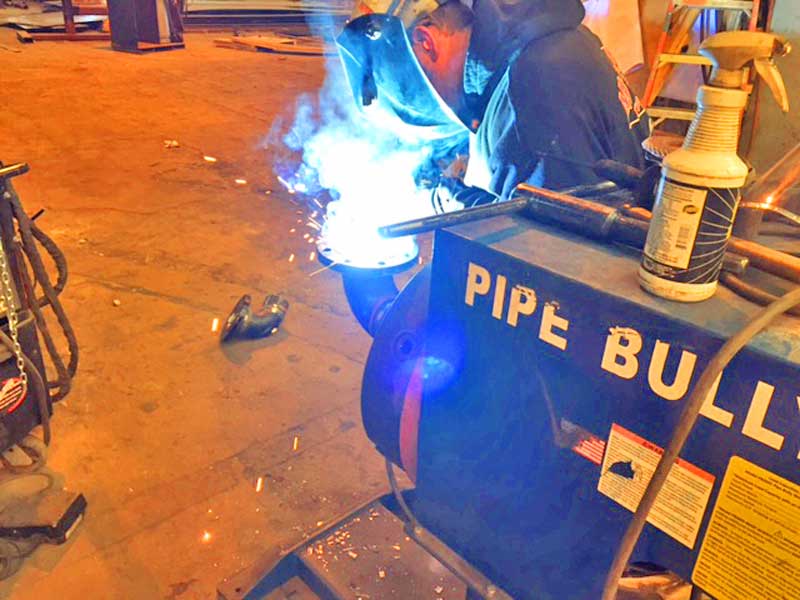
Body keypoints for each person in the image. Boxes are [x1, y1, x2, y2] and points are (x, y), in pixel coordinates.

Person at [337, 0, 649, 201]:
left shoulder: (534, 86)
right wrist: (458, 198)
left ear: (426, 42)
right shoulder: (547, 42)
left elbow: (552, 260)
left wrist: (382, 305)